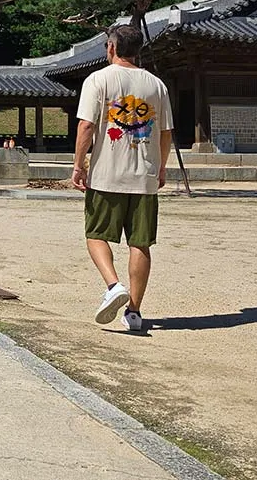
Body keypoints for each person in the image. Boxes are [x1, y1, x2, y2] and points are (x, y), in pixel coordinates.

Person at [71, 23, 173, 332]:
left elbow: (86, 126)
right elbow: (166, 132)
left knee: (96, 234)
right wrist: (161, 166)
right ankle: (134, 312)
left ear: (112, 48)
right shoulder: (157, 85)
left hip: (107, 174)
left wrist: (78, 164)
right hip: (144, 176)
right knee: (140, 243)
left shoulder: (98, 80)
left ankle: (114, 285)